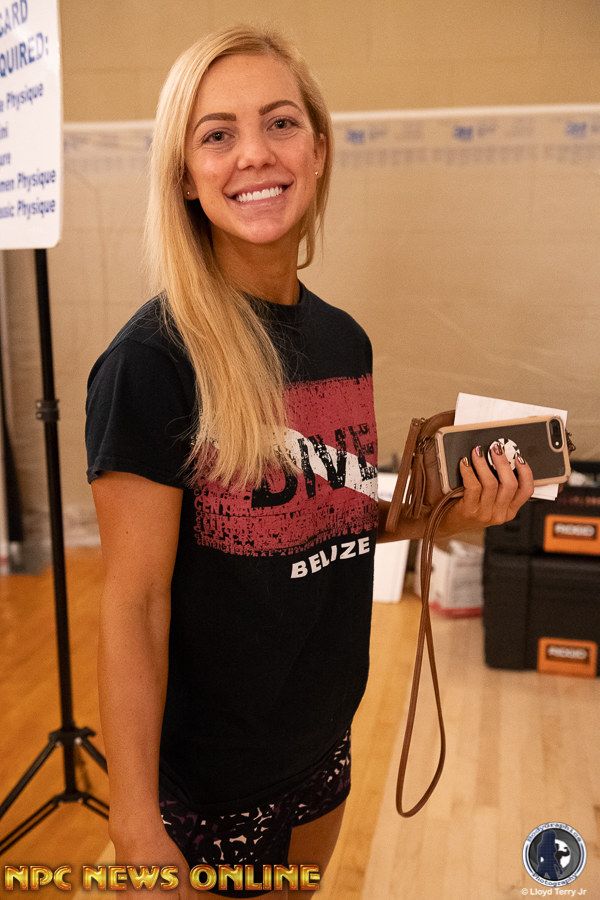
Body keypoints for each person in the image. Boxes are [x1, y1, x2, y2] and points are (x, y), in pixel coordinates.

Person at [85, 24, 534, 899]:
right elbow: (135, 605)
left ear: (318, 150)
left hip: (322, 739)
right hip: (206, 779)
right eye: (217, 134)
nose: (254, 153)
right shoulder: (151, 363)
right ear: (183, 174)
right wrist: (134, 823)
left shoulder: (342, 340)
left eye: (280, 123)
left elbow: (340, 516)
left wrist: (454, 512)